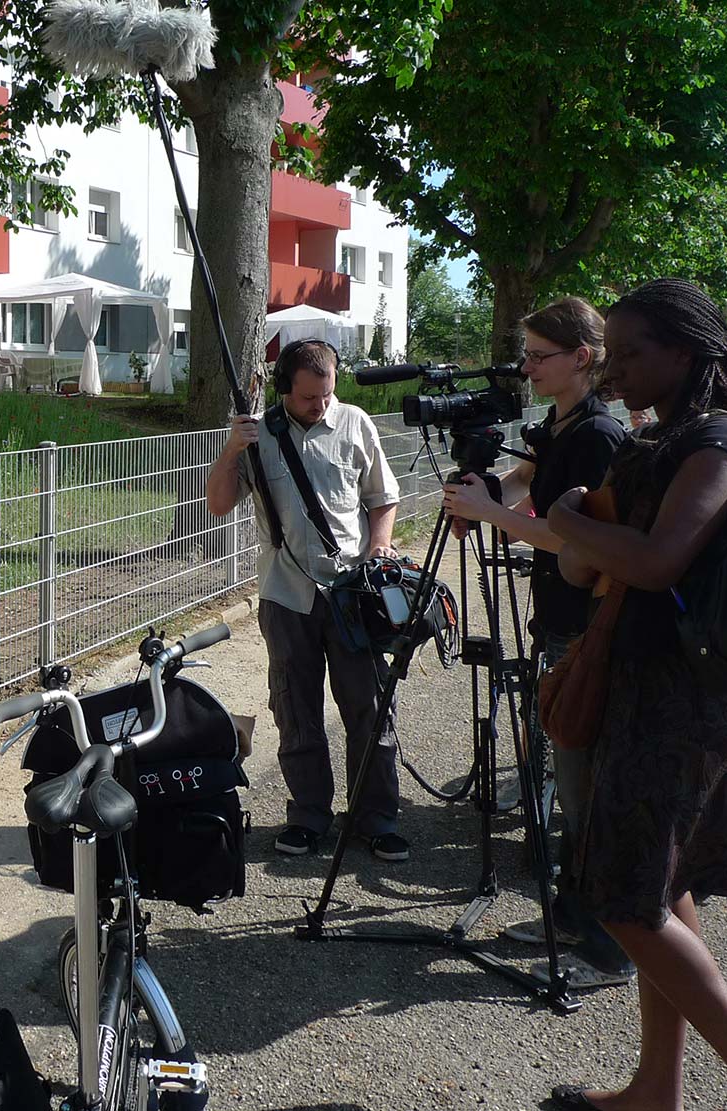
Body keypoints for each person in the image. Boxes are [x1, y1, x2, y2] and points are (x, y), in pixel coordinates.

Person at [546, 278, 727, 1111]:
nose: (617, 367)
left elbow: (658, 560)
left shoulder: (719, 439)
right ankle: (653, 1090)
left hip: (683, 700)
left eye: (633, 352)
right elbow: (596, 566)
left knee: (623, 899)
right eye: (614, 351)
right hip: (646, 684)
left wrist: (567, 519)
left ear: (687, 350)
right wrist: (585, 538)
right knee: (663, 890)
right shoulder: (662, 437)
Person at [440, 297, 634, 989]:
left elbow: (574, 534)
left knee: (583, 789)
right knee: (564, 779)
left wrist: (493, 513)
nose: (527, 367)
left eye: (538, 356)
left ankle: (608, 944)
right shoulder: (563, 424)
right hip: (555, 621)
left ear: (582, 357)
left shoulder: (600, 436)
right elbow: (531, 477)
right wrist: (491, 486)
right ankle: (569, 914)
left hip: (586, 630)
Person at [205, 339, 407, 860]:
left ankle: (377, 817)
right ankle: (309, 814)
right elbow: (218, 504)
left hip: (352, 594)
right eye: (309, 399)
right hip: (285, 595)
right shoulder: (258, 435)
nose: (321, 407)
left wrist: (380, 546)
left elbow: (382, 497)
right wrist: (232, 449)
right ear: (284, 391)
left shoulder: (356, 422)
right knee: (296, 708)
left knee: (368, 706)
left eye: (327, 395)